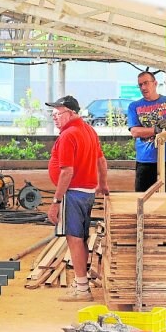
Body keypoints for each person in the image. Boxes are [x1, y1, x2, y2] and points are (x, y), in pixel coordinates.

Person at [45, 95, 109, 302]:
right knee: (79, 238)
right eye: (53, 114)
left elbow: (66, 172)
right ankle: (81, 283)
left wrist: (55, 202)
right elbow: (101, 160)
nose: (55, 117)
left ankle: (82, 288)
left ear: (71, 113)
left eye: (58, 113)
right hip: (87, 192)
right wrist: (103, 184)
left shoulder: (68, 135)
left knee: (74, 239)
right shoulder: (88, 130)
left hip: (73, 192)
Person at [127, 71, 166, 192]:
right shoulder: (134, 106)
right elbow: (135, 131)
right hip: (145, 160)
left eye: (146, 83)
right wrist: (155, 129)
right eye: (140, 85)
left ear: (155, 83)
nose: (143, 87)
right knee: (144, 198)